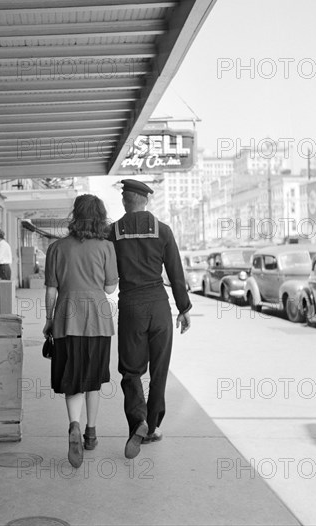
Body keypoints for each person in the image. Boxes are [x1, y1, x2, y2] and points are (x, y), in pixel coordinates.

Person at [109, 179, 192, 459]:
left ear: (124, 202)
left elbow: (106, 272)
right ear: (145, 201)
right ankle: (153, 426)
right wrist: (183, 308)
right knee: (159, 370)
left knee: (131, 371)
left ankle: (138, 422)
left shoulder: (113, 232)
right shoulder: (163, 231)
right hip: (158, 305)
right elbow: (176, 273)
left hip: (131, 304)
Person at [43, 194, 118, 468]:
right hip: (98, 319)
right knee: (93, 379)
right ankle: (91, 433)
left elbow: (51, 289)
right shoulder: (107, 247)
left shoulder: (57, 247)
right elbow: (111, 288)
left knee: (72, 377)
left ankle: (73, 425)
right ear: (100, 216)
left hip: (66, 318)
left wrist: (49, 319)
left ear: (75, 215)